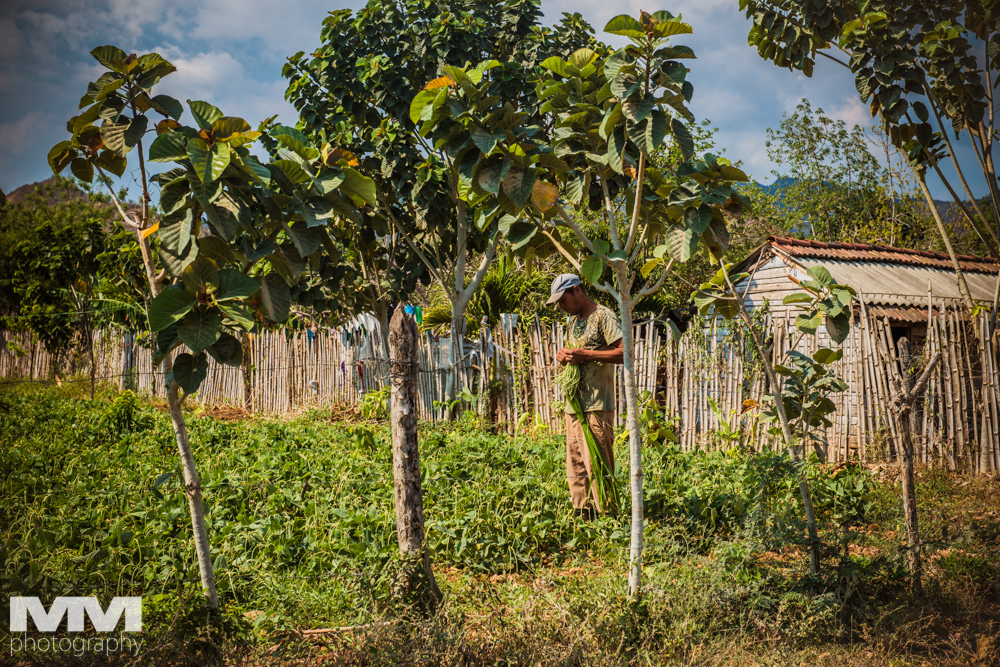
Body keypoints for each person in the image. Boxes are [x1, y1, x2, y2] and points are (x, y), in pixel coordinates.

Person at [547, 274, 623, 519]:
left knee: (598, 462)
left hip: (597, 404)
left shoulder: (604, 316)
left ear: (577, 290)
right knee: (576, 463)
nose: (561, 306)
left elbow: (624, 353)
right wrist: (563, 357)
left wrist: (586, 355)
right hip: (574, 405)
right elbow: (574, 355)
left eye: (563, 300)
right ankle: (583, 514)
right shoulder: (573, 320)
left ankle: (608, 516)